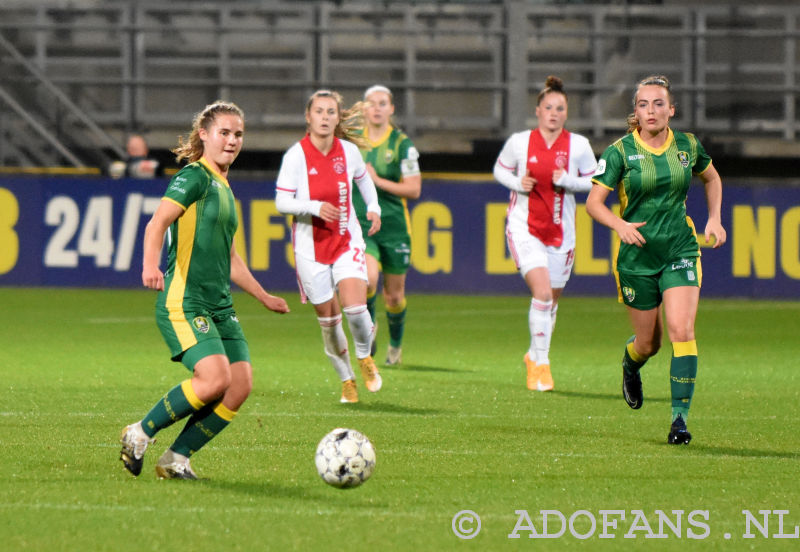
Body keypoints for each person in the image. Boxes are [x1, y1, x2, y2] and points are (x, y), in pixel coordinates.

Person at [119, 101, 290, 479]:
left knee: (239, 386)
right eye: (224, 133)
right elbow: (156, 224)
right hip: (185, 299)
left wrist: (263, 296)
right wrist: (150, 266)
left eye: (238, 134)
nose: (232, 141)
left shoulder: (226, 187)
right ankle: (139, 432)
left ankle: (176, 458)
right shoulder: (194, 176)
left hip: (220, 305)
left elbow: (231, 259)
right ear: (204, 134)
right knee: (214, 379)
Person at [585, 75, 726, 444]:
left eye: (659, 103)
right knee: (650, 344)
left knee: (683, 330)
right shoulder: (619, 152)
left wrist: (714, 218)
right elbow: (593, 204)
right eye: (644, 104)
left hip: (679, 248)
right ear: (636, 111)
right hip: (637, 258)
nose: (651, 110)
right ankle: (631, 364)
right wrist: (619, 224)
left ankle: (679, 420)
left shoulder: (687, 146)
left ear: (671, 110)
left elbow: (712, 179)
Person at [275, 90, 382, 404]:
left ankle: (364, 357)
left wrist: (374, 206)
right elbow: (282, 201)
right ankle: (347, 380)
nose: (324, 117)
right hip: (311, 250)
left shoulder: (348, 152)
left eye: (330, 112)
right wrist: (314, 207)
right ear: (308, 117)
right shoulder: (296, 156)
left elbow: (363, 180)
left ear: (338, 118)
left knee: (356, 309)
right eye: (319, 112)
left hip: (347, 240)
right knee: (329, 321)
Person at [493, 75, 597, 392]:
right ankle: (542, 365)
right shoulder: (520, 142)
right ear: (538, 110)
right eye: (548, 107)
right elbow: (500, 168)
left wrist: (568, 180)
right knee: (541, 294)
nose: (554, 113)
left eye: (560, 108)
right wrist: (516, 183)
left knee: (551, 302)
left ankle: (534, 355)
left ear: (566, 113)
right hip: (524, 227)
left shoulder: (578, 146)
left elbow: (595, 182)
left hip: (561, 232)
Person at [353, 85, 421, 366]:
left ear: (391, 109)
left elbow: (414, 189)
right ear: (364, 108)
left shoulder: (402, 145)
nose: (377, 108)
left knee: (394, 297)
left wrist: (376, 180)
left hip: (394, 228)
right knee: (367, 280)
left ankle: (395, 345)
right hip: (363, 225)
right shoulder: (354, 143)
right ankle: (369, 331)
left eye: (383, 103)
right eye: (372, 103)